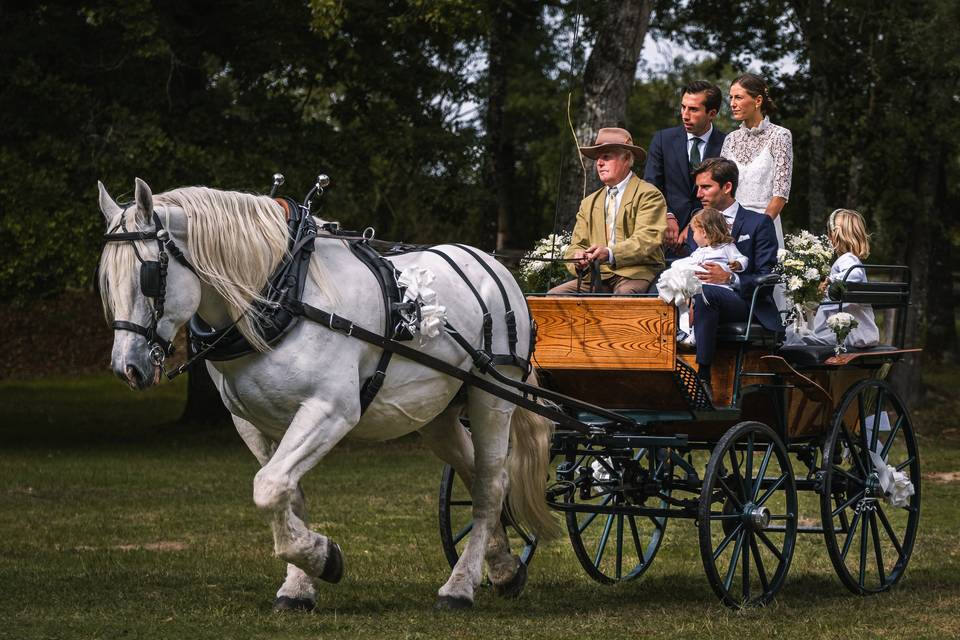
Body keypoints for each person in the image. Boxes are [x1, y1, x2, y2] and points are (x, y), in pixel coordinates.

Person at [686, 158, 782, 390]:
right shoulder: (697, 224)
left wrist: (730, 278)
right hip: (699, 299)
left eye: (706, 187)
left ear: (727, 187)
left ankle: (703, 377)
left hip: (747, 302)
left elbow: (767, 275)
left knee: (706, 294)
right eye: (698, 187)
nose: (699, 193)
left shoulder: (758, 223)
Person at [549, 127, 667, 295]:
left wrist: (610, 253)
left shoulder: (648, 194)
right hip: (597, 276)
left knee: (621, 300)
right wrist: (578, 258)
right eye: (597, 158)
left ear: (626, 158)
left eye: (606, 157)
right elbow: (576, 245)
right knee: (554, 298)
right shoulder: (588, 203)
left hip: (635, 273)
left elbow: (647, 239)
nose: (599, 163)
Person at [644, 81, 726, 256]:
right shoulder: (662, 139)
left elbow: (725, 194)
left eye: (694, 109)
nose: (685, 115)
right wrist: (668, 215)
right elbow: (651, 187)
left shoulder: (726, 144)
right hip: (665, 237)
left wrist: (695, 223)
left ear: (712, 113)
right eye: (683, 107)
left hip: (710, 238)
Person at [785, 208, 880, 348]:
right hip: (859, 333)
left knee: (789, 334)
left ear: (835, 235)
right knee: (797, 333)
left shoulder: (848, 259)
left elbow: (854, 275)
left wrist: (830, 279)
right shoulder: (852, 260)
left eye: (829, 232)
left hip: (846, 334)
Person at [657, 207, 749, 346]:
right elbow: (690, 262)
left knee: (696, 305)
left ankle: (692, 334)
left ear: (704, 233)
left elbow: (743, 259)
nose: (692, 237)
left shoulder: (726, 247)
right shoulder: (699, 251)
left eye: (694, 232)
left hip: (717, 288)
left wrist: (737, 264)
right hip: (697, 287)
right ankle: (681, 331)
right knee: (682, 300)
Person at [720, 73, 793, 249]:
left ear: (758, 100)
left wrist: (757, 230)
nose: (732, 103)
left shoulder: (780, 135)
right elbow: (720, 188)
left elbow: (780, 194)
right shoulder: (730, 139)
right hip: (729, 227)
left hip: (765, 224)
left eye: (738, 97)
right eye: (731, 98)